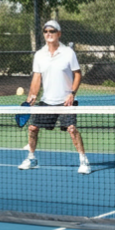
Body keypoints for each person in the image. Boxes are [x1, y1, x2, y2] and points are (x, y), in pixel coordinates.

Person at [19, 20, 91, 174]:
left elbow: (77, 74)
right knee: (32, 128)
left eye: (52, 31)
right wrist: (31, 96)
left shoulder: (68, 53)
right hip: (46, 102)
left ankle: (84, 160)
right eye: (46, 31)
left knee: (72, 129)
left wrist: (72, 93)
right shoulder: (39, 55)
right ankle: (31, 157)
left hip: (66, 102)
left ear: (59, 34)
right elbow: (37, 79)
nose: (48, 34)